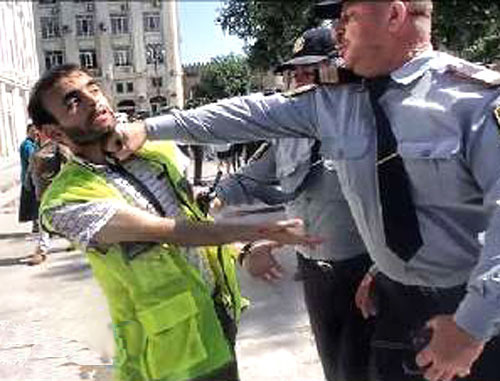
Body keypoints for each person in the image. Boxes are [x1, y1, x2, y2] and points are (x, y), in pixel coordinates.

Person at [109, 1, 500, 381]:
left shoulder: (474, 100)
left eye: (348, 16)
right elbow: (248, 114)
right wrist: (151, 128)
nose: (336, 30)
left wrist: (471, 327)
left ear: (395, 15)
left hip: (472, 309)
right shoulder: (336, 101)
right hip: (392, 303)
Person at [27, 63, 320, 381]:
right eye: (73, 101)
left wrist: (244, 251)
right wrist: (258, 228)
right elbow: (172, 232)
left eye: (93, 88)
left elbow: (195, 217)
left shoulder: (157, 152)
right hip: (168, 352)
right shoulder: (65, 200)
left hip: (218, 317)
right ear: (54, 133)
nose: (94, 100)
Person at [213, 27, 373, 381]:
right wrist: (214, 198)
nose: (299, 78)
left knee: (362, 370)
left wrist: (381, 271)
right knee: (334, 368)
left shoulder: (364, 120)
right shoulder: (286, 130)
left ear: (336, 67)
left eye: (309, 69)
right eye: (294, 71)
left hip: (363, 271)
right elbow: (251, 177)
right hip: (315, 273)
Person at [18, 123, 39, 231]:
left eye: (36, 131)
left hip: (33, 176)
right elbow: (32, 158)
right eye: (32, 131)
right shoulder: (27, 145)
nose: (35, 133)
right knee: (34, 201)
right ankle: (36, 224)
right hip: (29, 177)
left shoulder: (34, 143)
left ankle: (37, 224)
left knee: (35, 200)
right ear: (27, 132)